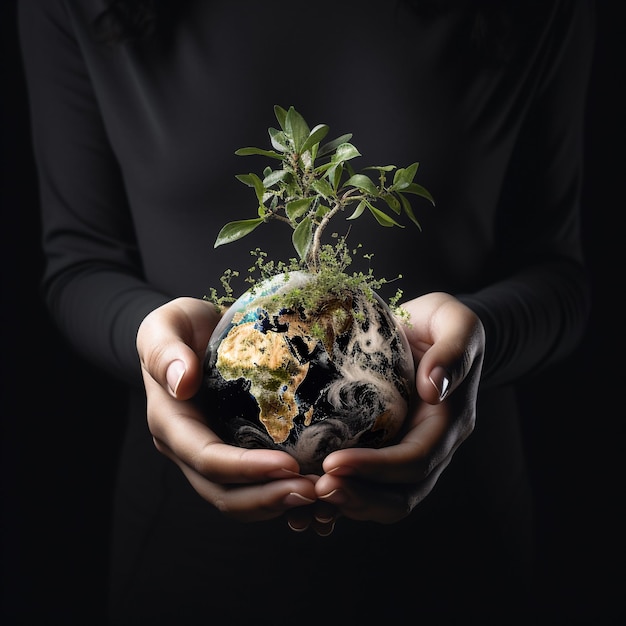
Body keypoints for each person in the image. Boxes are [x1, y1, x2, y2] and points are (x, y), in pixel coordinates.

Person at [18, 0, 595, 623]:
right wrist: (151, 343)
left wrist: (479, 339)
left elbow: (558, 274)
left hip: (461, 555)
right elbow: (79, 260)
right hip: (184, 562)